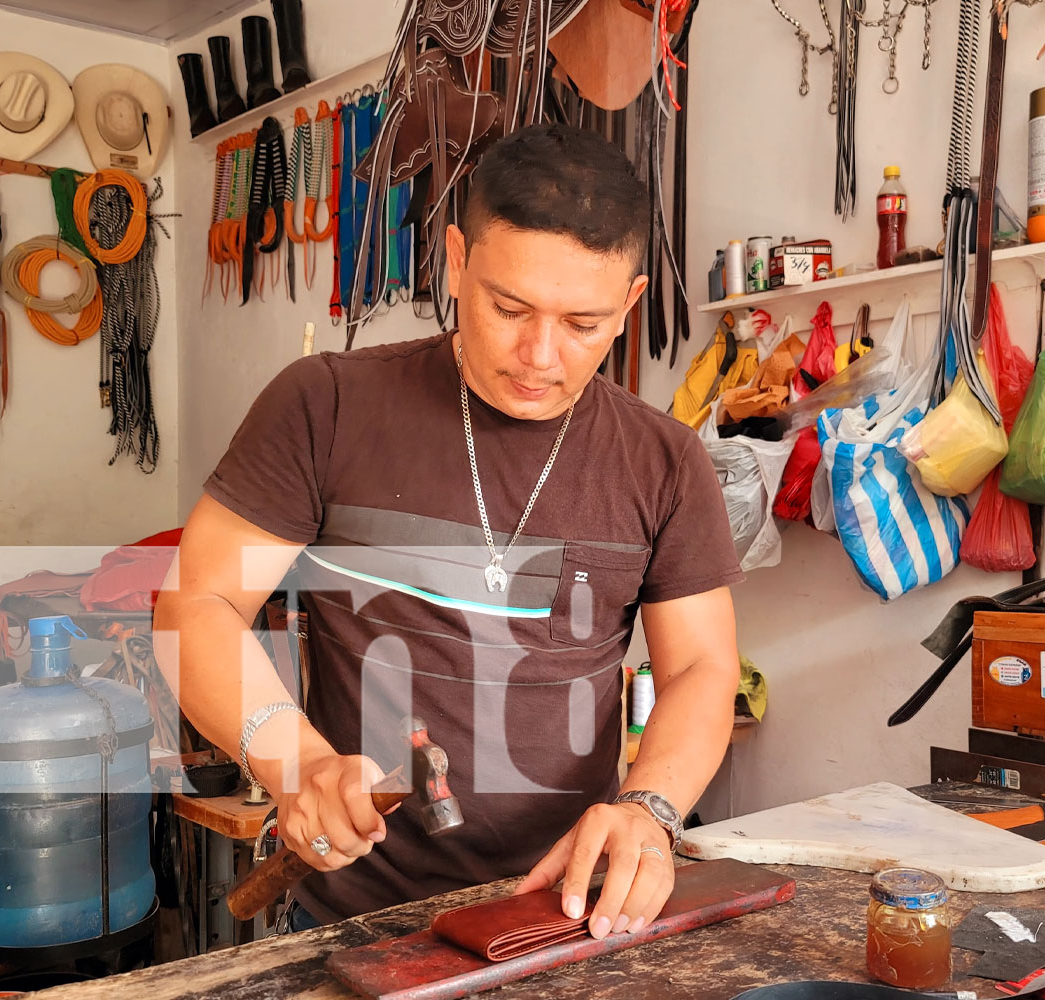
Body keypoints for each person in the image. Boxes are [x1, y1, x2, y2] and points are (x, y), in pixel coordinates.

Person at [154, 123, 742, 939]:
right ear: (457, 262)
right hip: (353, 915)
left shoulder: (666, 461)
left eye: (582, 324)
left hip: (563, 914)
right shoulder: (324, 406)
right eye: (509, 308)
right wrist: (297, 763)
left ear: (630, 305)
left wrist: (650, 806)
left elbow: (704, 668)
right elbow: (198, 603)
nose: (540, 355)